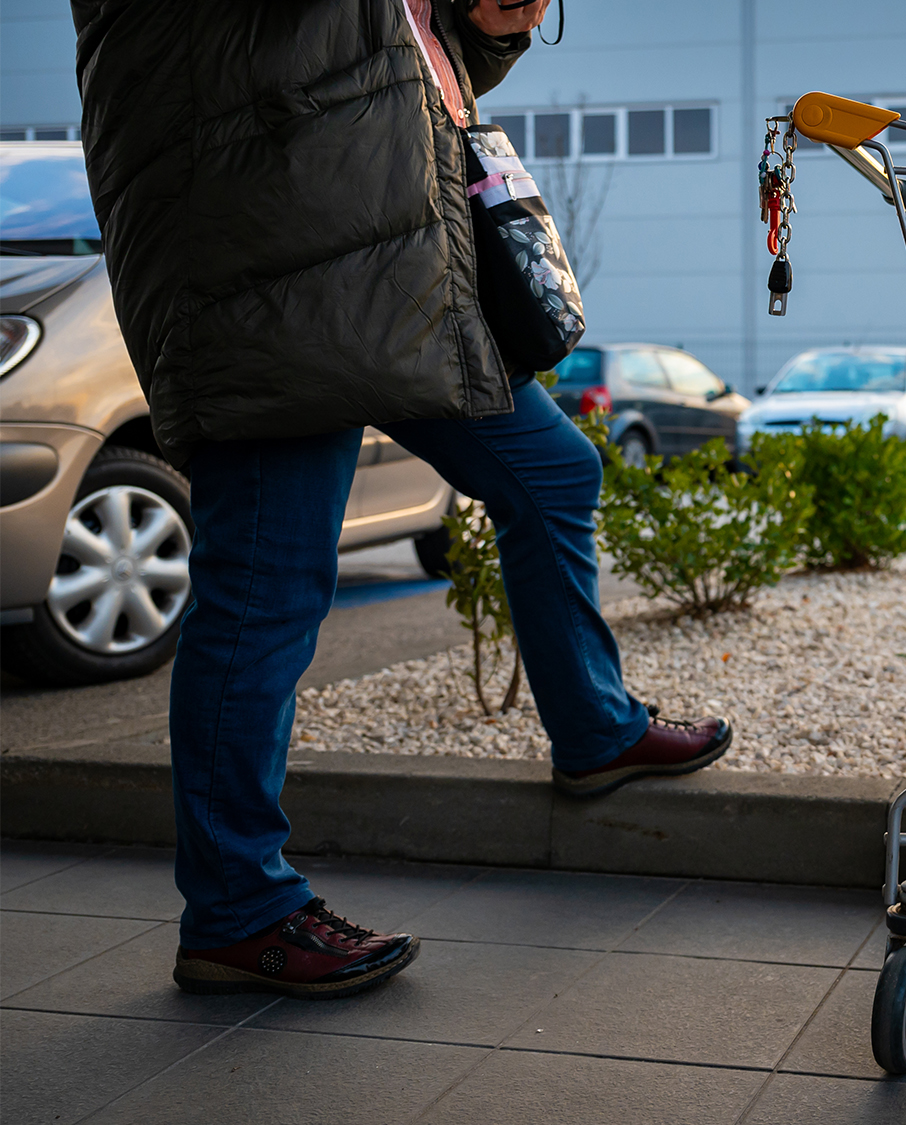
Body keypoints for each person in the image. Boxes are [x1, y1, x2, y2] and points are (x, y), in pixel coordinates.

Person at [70, 0, 729, 1001]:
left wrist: (491, 23)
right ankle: (236, 912)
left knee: (553, 472)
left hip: (391, 271)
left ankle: (594, 733)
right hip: (272, 263)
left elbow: (397, 63)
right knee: (265, 589)